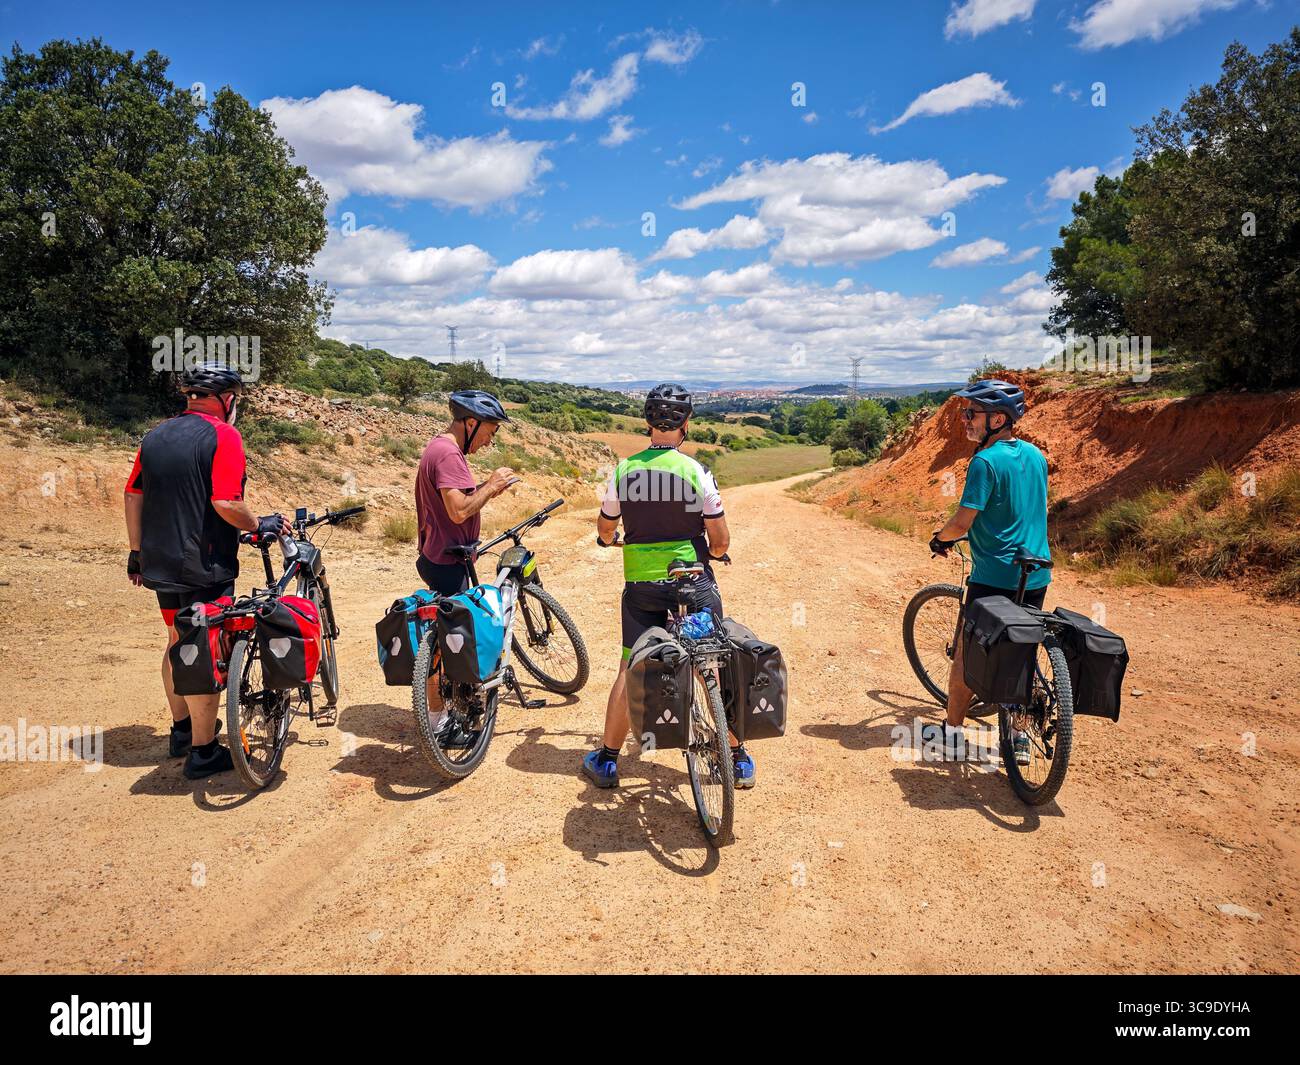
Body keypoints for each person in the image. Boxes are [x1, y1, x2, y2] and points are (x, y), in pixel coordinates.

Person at [124, 363, 291, 780]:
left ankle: (181, 731)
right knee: (205, 647)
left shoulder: (155, 435)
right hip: (205, 563)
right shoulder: (224, 436)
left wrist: (135, 552)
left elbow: (132, 493)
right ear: (227, 400)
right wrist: (260, 525)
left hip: (158, 561)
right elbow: (227, 503)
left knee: (176, 638)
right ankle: (202, 751)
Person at [584, 383, 750, 789]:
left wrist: (610, 539)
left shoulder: (623, 471)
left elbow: (605, 530)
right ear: (686, 423)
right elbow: (721, 540)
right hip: (692, 582)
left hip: (642, 587)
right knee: (711, 659)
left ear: (647, 422)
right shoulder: (696, 471)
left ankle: (607, 759)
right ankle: (737, 756)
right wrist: (712, 551)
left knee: (630, 664)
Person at [925, 379, 1050, 763]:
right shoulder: (1036, 456)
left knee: (966, 654)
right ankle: (1020, 739)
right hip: (1036, 573)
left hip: (994, 576)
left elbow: (963, 523)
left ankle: (951, 734)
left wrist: (940, 539)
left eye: (972, 413)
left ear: (997, 419)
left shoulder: (984, 462)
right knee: (1021, 651)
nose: (965, 419)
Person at [414, 389, 520, 745]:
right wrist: (490, 486)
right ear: (471, 423)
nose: (490, 441)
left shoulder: (442, 449)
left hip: (441, 555)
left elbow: (454, 505)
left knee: (450, 635)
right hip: (447, 561)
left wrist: (486, 490)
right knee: (448, 642)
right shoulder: (447, 454)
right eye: (490, 431)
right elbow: (458, 510)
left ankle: (446, 708)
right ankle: (440, 722)